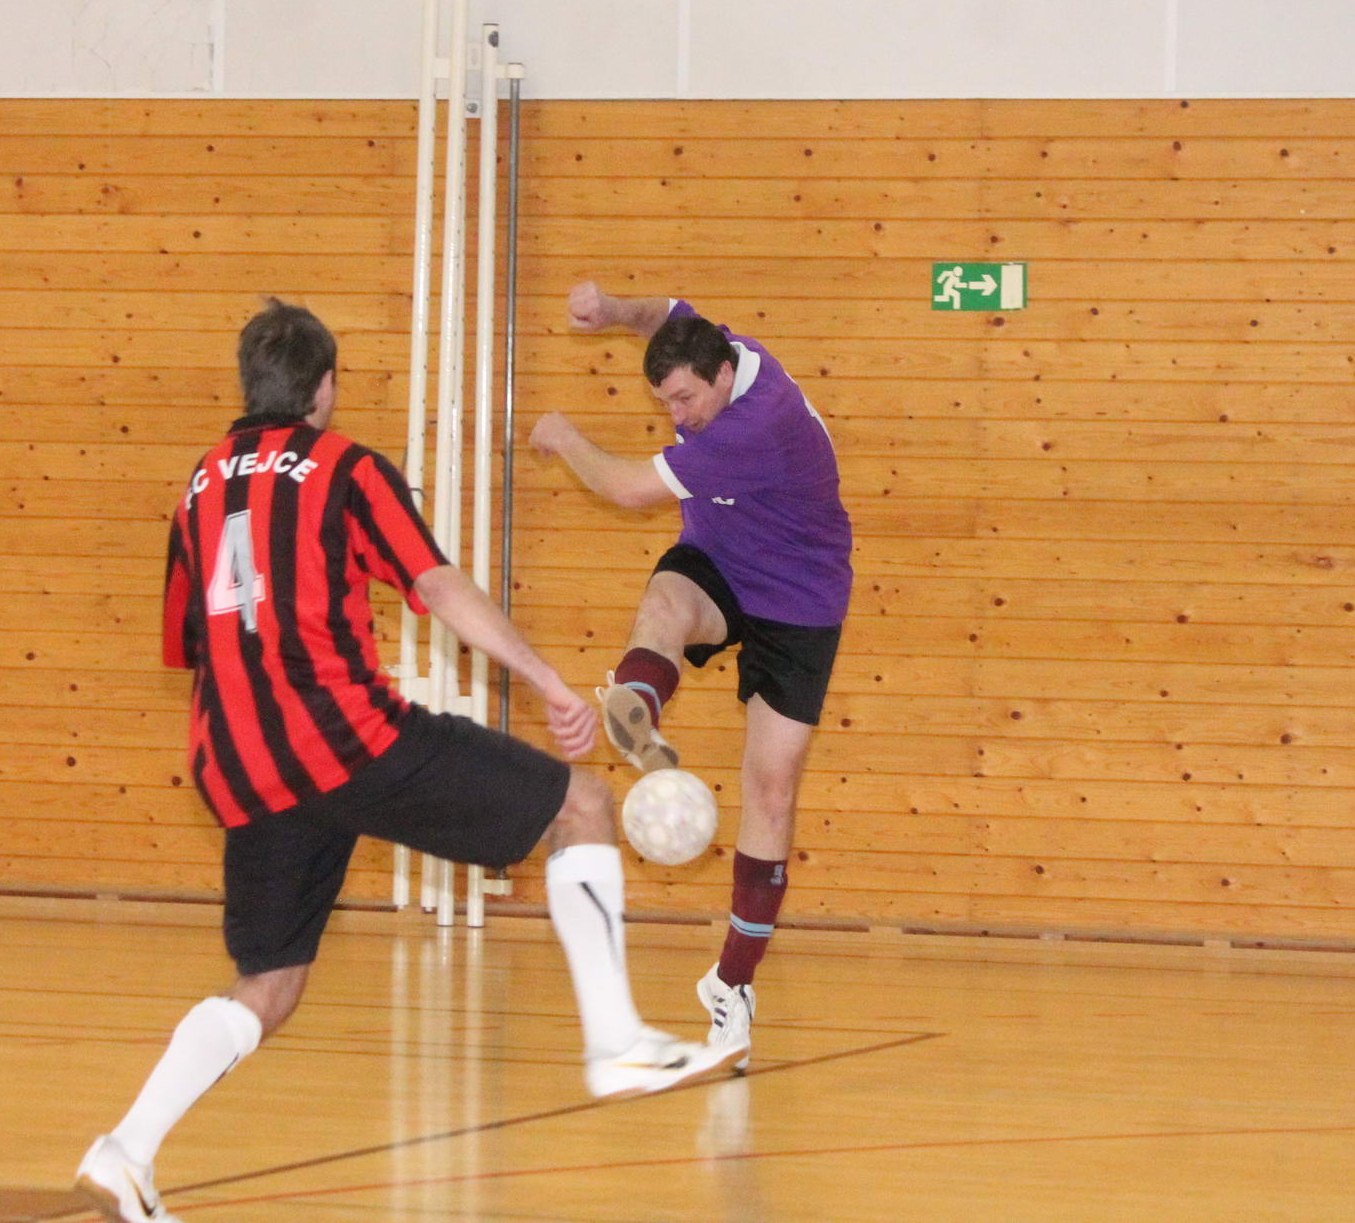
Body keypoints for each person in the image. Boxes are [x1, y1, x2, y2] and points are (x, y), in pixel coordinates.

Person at [76, 300, 742, 1223]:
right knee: (582, 805)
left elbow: (190, 640)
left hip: (236, 760)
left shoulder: (200, 482)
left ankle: (125, 1150)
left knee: (268, 984)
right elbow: (435, 583)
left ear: (249, 386)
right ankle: (615, 1039)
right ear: (324, 388)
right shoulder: (344, 467)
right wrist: (544, 678)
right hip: (345, 736)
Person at [530, 281, 852, 1073]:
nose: (677, 414)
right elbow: (665, 312)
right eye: (665, 401)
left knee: (770, 790)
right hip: (720, 559)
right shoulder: (711, 348)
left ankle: (732, 983)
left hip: (800, 596)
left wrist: (563, 435)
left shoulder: (757, 424)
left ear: (722, 377)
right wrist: (612, 309)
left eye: (684, 401)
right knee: (665, 604)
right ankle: (636, 706)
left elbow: (626, 487)